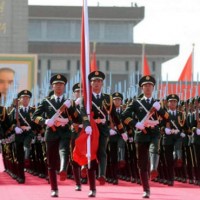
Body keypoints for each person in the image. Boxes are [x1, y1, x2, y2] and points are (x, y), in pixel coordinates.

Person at [32, 74, 89, 197]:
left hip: (65, 131)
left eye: (61, 84)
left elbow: (77, 119)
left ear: (64, 87)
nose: (58, 86)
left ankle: (63, 168)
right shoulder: (46, 101)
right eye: (56, 84)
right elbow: (34, 116)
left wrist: (73, 108)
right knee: (51, 162)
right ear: (52, 86)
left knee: (64, 151)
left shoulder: (69, 102)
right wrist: (45, 121)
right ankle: (54, 188)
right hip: (51, 132)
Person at [121, 75, 170, 198]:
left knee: (155, 149)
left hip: (154, 132)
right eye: (145, 86)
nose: (148, 87)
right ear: (142, 88)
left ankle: (153, 169)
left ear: (153, 88)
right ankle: (146, 189)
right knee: (142, 163)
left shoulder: (158, 103)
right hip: (141, 134)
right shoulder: (136, 102)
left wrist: (162, 111)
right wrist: (135, 124)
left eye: (150, 85)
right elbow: (124, 115)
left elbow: (167, 119)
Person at [87, 70, 127, 194]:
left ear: (102, 83)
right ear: (91, 83)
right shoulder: (87, 97)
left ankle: (102, 174)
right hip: (90, 128)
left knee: (102, 151)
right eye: (94, 81)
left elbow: (114, 116)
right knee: (91, 155)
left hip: (103, 129)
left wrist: (122, 131)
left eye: (99, 81)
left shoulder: (108, 98)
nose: (97, 83)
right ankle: (92, 186)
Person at [9, 90, 38, 183]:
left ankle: (27, 159)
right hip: (19, 135)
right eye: (23, 98)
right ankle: (21, 177)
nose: (25, 99)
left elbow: (37, 123)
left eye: (27, 98)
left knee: (27, 150)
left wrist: (30, 127)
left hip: (29, 135)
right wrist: (15, 128)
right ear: (20, 100)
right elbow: (10, 123)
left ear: (29, 99)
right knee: (19, 157)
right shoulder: (16, 111)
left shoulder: (33, 110)